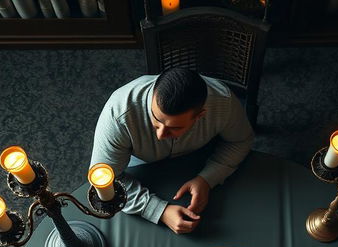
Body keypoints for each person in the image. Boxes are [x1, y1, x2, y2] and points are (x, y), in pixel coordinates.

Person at [90, 68, 254, 234]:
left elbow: (240, 141)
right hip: (141, 165)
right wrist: (158, 211)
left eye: (174, 128)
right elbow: (103, 179)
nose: (160, 135)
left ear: (200, 116)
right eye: (156, 119)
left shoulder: (224, 103)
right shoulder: (118, 113)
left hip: (200, 157)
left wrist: (207, 178)